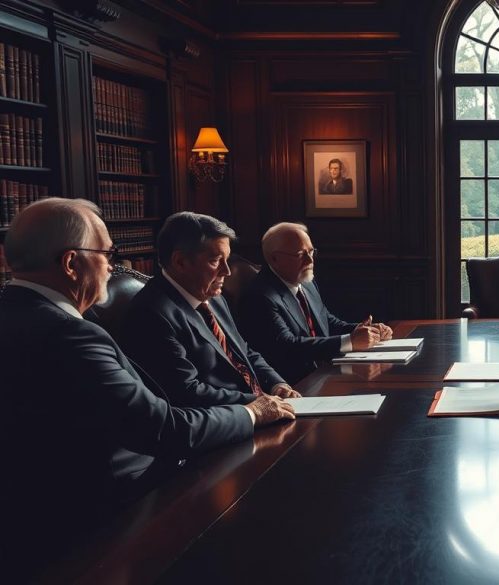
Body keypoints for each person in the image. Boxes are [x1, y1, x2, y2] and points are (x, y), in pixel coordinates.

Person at [0, 198, 294, 581]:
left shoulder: (16, 312)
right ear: (72, 263)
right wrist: (252, 412)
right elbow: (162, 429)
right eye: (106, 252)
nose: (112, 265)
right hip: (106, 516)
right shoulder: (70, 334)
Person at [123, 212, 301, 407]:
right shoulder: (150, 314)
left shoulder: (214, 299)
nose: (227, 271)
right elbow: (187, 392)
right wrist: (259, 402)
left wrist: (277, 385)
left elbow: (245, 352)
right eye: (216, 261)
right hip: (223, 423)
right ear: (180, 262)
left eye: (227, 259)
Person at [238, 222, 393, 384]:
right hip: (295, 383)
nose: (309, 260)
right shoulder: (260, 296)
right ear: (274, 258)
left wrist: (364, 331)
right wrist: (349, 341)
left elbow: (327, 321)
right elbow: (288, 346)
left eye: (311, 252)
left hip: (324, 373)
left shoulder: (306, 282)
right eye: (300, 254)